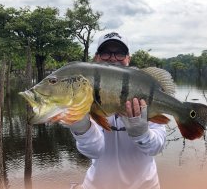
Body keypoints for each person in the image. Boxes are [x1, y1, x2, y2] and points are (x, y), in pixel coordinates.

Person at [67, 32, 166, 189]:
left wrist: (142, 133)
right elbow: (94, 151)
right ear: (97, 57)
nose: (113, 58)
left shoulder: (143, 88)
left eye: (119, 53)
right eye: (106, 53)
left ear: (128, 58)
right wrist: (81, 128)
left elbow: (156, 147)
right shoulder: (86, 91)